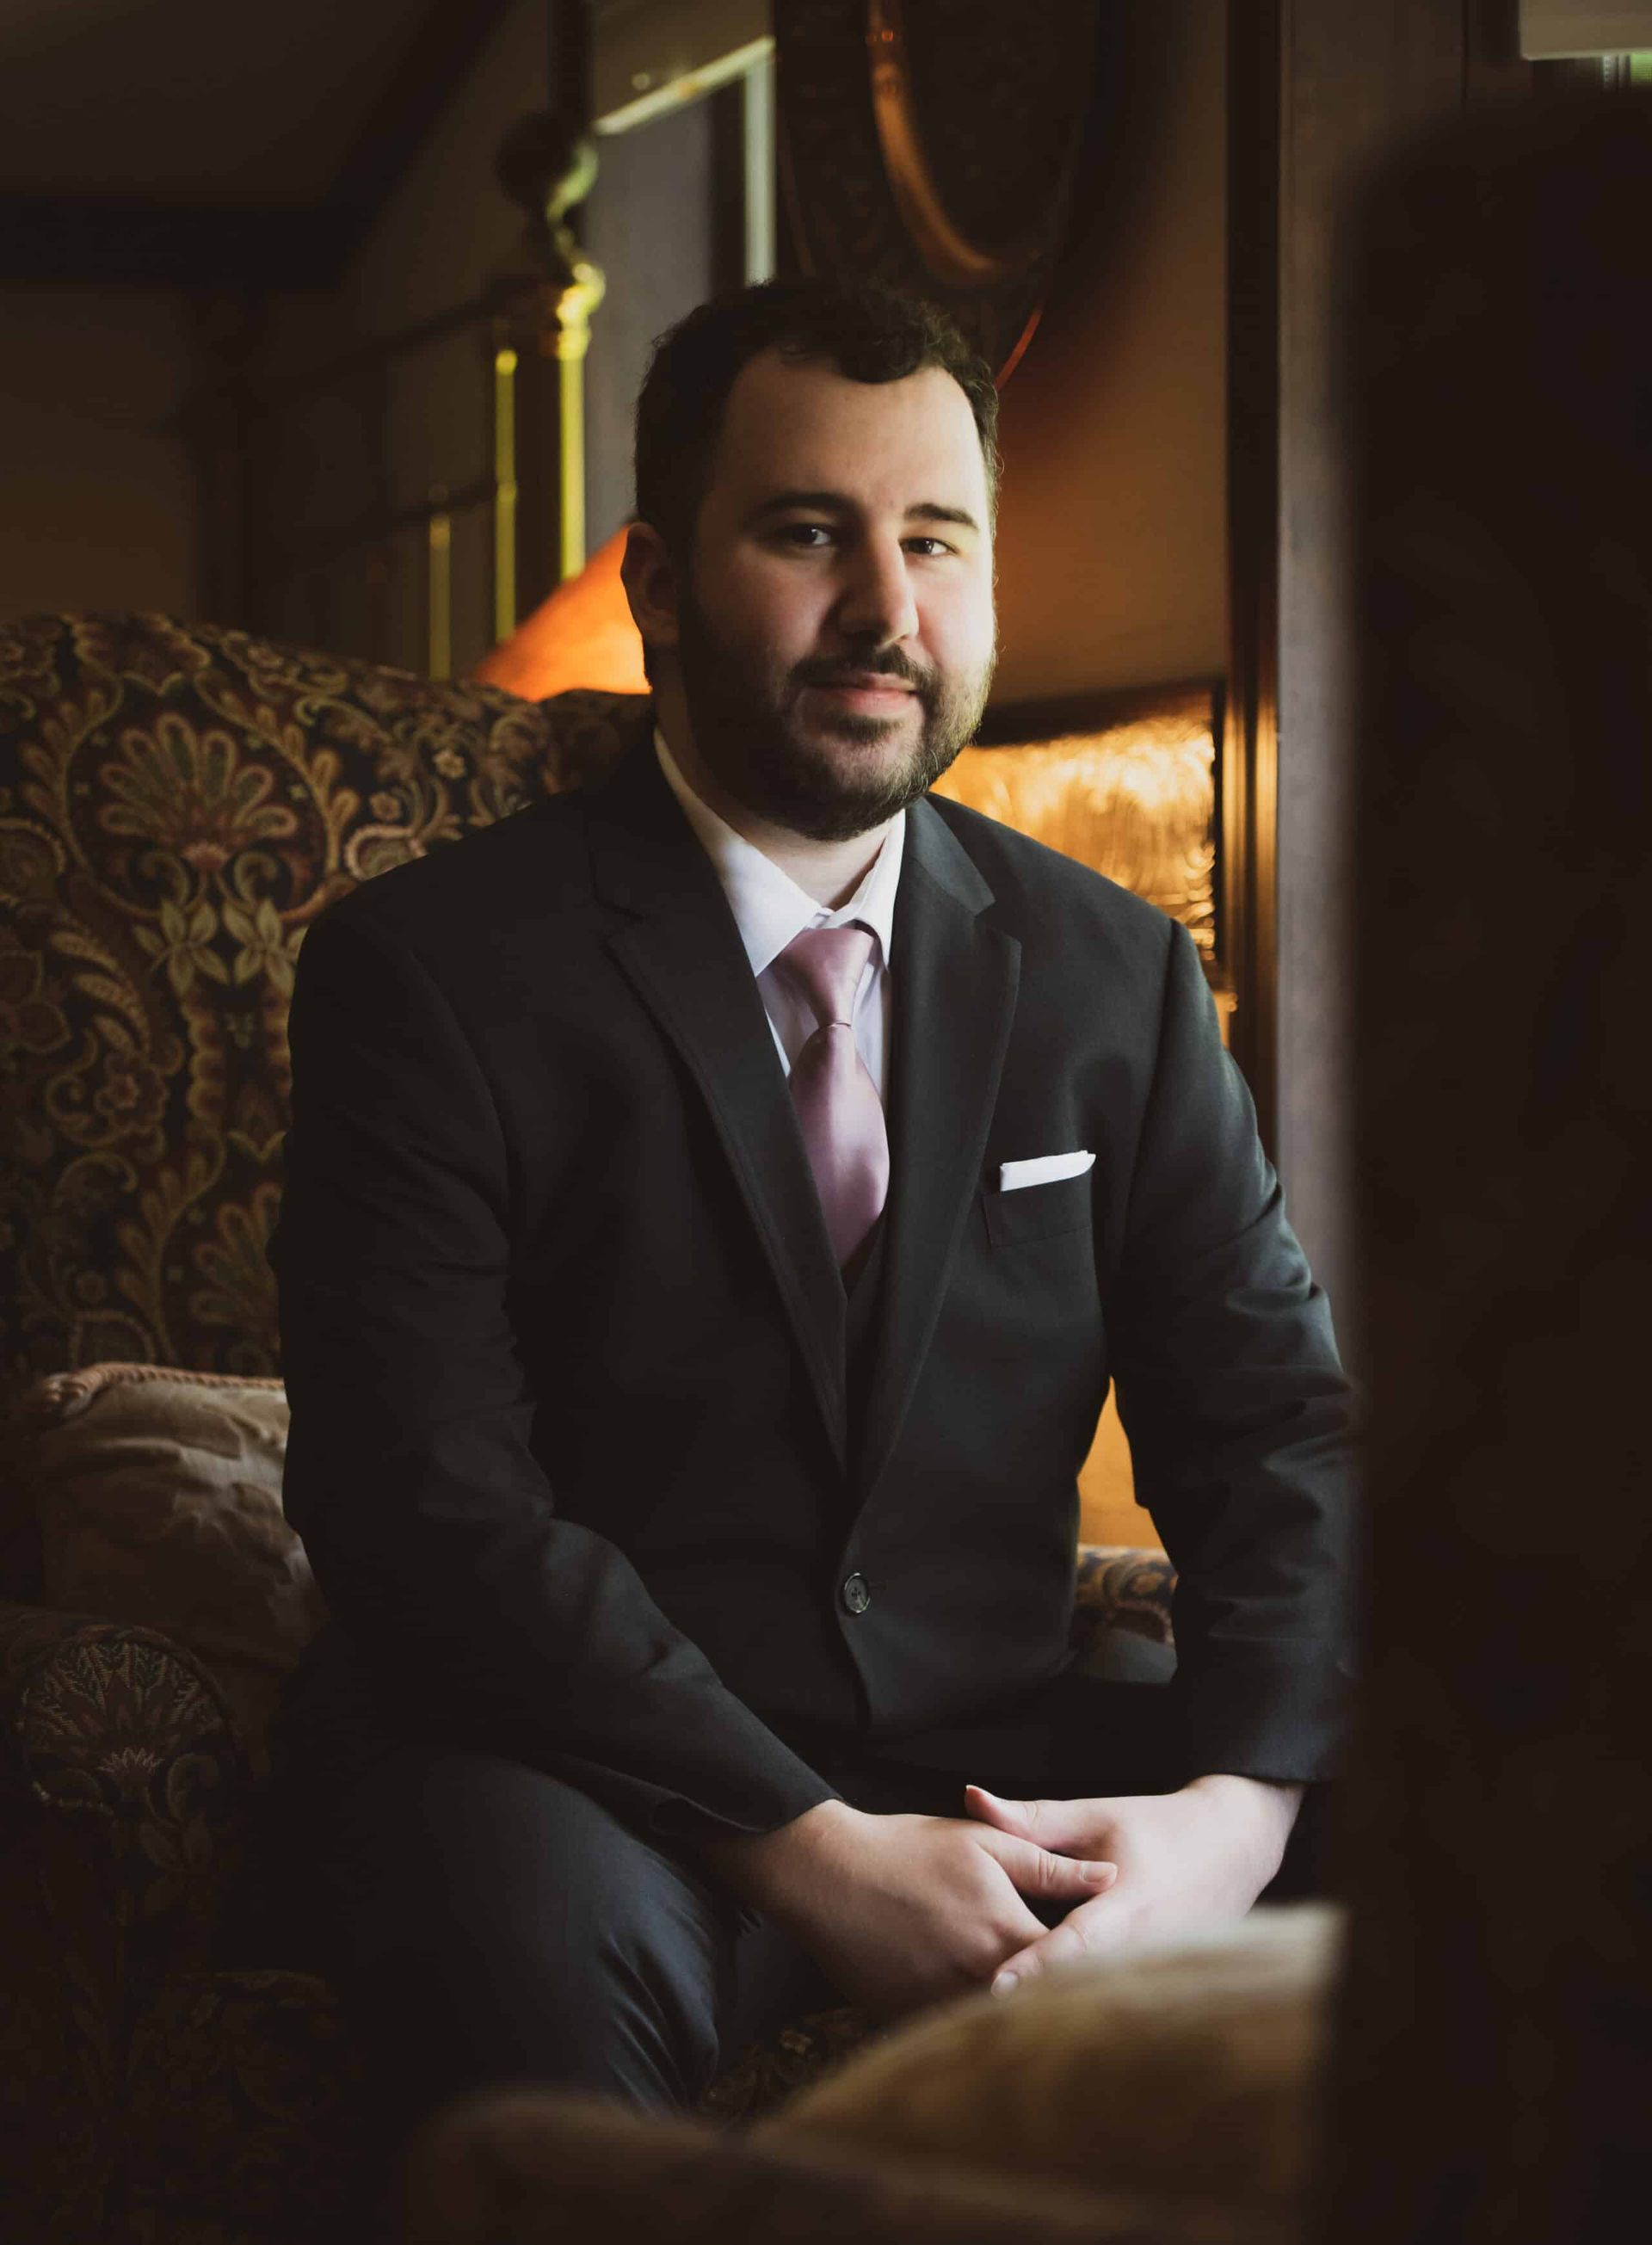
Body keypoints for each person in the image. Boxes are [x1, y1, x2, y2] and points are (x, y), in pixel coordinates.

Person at [266, 278, 1353, 2123]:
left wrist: (1230, 1824)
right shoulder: (428, 975)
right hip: (591, 1785)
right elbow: (426, 1504)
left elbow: (1276, 1435)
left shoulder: (1115, 977)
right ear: (660, 584)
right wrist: (809, 1844)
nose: (888, 611)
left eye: (938, 539)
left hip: (1003, 1761)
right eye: (806, 533)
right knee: (521, 1923)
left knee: (1497, 1814)